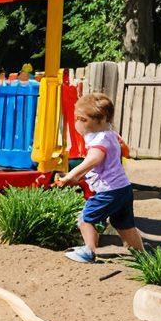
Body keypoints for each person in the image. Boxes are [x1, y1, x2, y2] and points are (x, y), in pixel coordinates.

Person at [54, 92, 144, 263]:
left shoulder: (99, 141)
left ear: (94, 120)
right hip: (123, 188)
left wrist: (71, 175)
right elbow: (126, 151)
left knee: (85, 218)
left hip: (109, 191)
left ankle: (88, 251)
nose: (76, 124)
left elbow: (94, 159)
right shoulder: (111, 134)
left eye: (79, 119)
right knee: (123, 224)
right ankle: (141, 256)